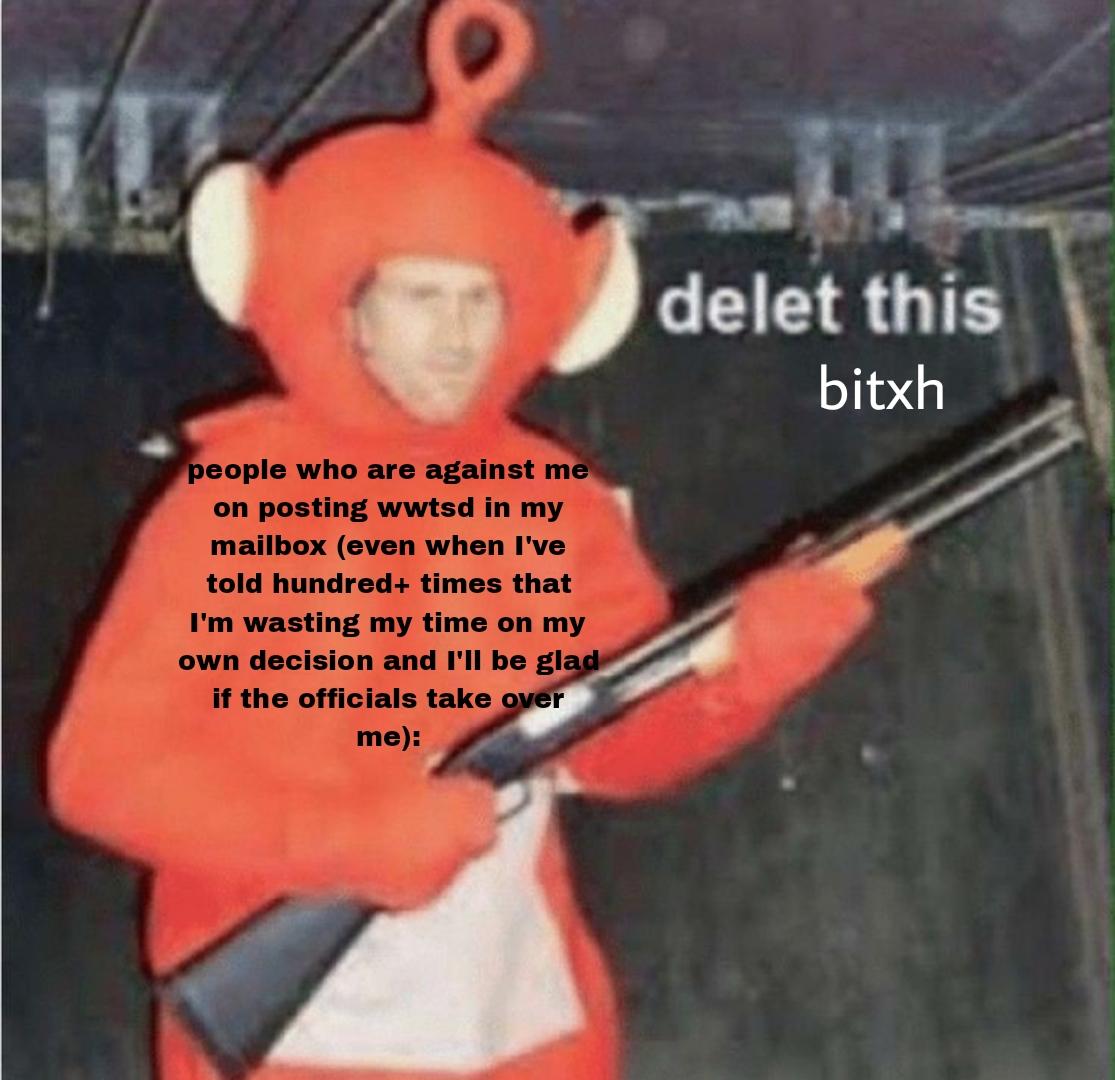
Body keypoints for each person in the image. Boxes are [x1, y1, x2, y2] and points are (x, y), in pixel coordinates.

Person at [46, 1, 906, 1077]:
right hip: (288, 1050)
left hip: (519, 1028)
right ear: (347, 310)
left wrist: (744, 672)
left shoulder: (552, 503)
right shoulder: (234, 502)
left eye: (481, 300)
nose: (456, 336)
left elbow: (613, 748)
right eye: (420, 296)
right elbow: (101, 771)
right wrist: (346, 840)